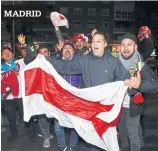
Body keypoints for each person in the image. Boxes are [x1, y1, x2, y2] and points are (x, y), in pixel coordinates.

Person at [46, 31, 131, 151]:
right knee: (93, 140)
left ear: (105, 44)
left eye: (98, 41)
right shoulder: (84, 60)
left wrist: (130, 82)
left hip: (106, 109)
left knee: (106, 138)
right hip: (90, 108)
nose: (95, 44)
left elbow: (125, 77)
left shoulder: (113, 62)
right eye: (93, 41)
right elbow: (66, 67)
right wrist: (46, 60)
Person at [118, 33, 158, 151]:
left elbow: (154, 86)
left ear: (135, 47)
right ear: (119, 47)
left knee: (133, 134)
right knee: (122, 133)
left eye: (129, 45)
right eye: (123, 45)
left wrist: (139, 85)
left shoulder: (140, 65)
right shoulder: (114, 62)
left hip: (134, 106)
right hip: (118, 106)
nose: (126, 48)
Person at [54, 42, 82, 151]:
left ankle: (73, 145)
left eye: (70, 48)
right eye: (65, 48)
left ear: (74, 52)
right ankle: (62, 145)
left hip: (76, 100)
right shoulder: (56, 64)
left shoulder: (79, 63)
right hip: (59, 100)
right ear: (61, 52)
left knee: (75, 126)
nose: (67, 50)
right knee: (58, 126)